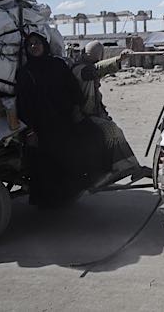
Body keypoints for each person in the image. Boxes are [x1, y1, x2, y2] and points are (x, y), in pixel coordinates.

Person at [16, 33, 110, 206]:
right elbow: (23, 104)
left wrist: (77, 108)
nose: (34, 47)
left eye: (37, 43)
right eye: (30, 45)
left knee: (90, 138)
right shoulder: (25, 73)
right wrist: (29, 130)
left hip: (65, 121)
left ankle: (78, 188)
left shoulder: (57, 65)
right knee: (46, 162)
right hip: (41, 126)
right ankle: (48, 201)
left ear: (44, 45)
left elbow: (73, 88)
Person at [72, 41, 146, 180]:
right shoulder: (80, 70)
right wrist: (119, 59)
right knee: (112, 131)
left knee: (113, 130)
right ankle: (124, 167)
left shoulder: (86, 69)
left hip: (93, 114)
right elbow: (97, 69)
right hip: (82, 116)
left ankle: (130, 167)